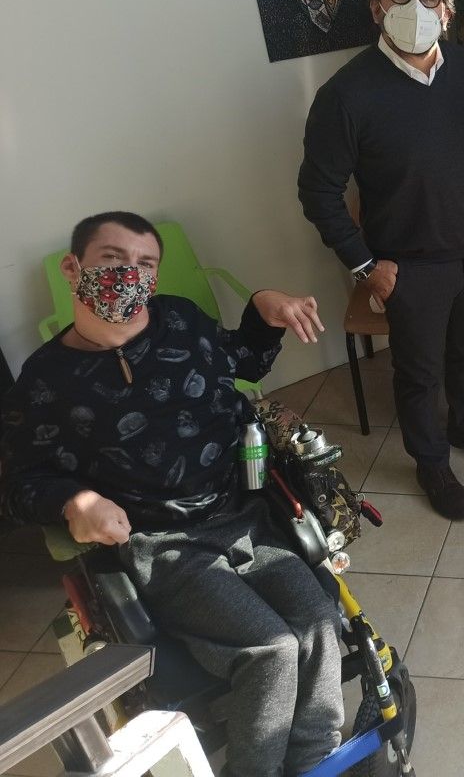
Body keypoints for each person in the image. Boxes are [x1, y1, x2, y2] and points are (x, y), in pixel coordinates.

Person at [0, 211, 340, 777]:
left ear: (155, 277)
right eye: (112, 260)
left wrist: (263, 309)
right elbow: (18, 485)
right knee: (271, 650)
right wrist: (74, 503)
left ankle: (314, 758)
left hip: (244, 512)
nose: (128, 275)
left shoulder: (180, 319)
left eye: (144, 264)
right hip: (162, 544)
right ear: (73, 268)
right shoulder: (44, 381)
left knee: (320, 622)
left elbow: (241, 360)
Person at [299, 0, 464, 521]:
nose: (415, 6)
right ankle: (432, 463)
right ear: (377, 7)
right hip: (408, 268)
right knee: (419, 374)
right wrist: (366, 267)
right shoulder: (345, 95)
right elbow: (318, 194)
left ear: (448, 11)